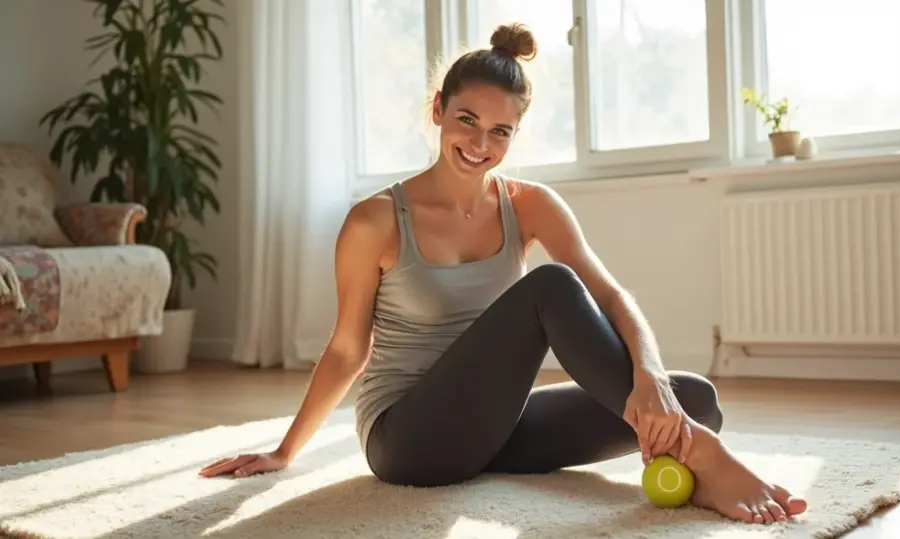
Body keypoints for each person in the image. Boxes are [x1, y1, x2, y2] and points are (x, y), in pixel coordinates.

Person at [199, 23, 807, 525]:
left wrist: (650, 377)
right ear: (438, 110)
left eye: (499, 131)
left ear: (514, 134)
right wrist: (284, 451)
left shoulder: (530, 204)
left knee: (692, 397)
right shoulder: (376, 220)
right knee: (549, 288)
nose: (479, 143)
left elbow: (613, 295)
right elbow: (347, 350)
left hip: (494, 430)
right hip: (407, 440)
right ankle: (706, 456)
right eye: (466, 120)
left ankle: (694, 443)